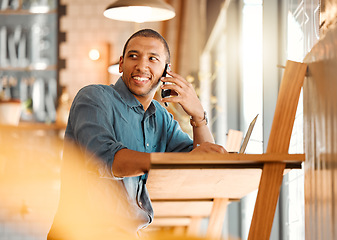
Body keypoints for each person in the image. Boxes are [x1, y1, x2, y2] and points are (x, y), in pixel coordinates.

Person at [47, 29, 226, 240]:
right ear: (121, 63)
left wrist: (198, 116)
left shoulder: (161, 117)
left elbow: (201, 165)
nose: (141, 65)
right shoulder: (94, 97)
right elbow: (105, 159)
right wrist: (177, 159)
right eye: (134, 56)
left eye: (152, 58)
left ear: (166, 71)